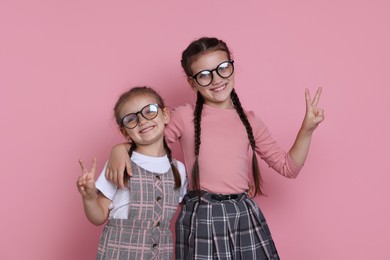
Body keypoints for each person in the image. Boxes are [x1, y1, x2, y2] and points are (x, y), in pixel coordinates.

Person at [105, 37, 324, 260]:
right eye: (204, 75)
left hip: (243, 215)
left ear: (232, 67)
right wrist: (120, 149)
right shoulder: (183, 116)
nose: (216, 79)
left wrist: (307, 130)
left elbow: (288, 167)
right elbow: (148, 147)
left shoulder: (250, 121)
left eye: (223, 69)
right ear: (192, 83)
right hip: (202, 216)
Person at [76, 86, 187, 259]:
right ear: (124, 131)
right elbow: (98, 217)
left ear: (165, 115)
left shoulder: (178, 169)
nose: (142, 121)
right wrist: (89, 198)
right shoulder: (119, 164)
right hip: (119, 253)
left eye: (149, 111)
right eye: (131, 119)